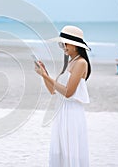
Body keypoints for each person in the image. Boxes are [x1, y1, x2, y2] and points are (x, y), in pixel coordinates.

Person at [35, 25, 91, 167]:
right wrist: (45, 75)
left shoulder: (81, 63)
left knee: (70, 151)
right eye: (61, 43)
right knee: (60, 151)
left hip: (72, 113)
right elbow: (53, 91)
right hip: (61, 112)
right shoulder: (70, 62)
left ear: (75, 44)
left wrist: (46, 77)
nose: (63, 47)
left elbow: (68, 93)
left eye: (65, 43)